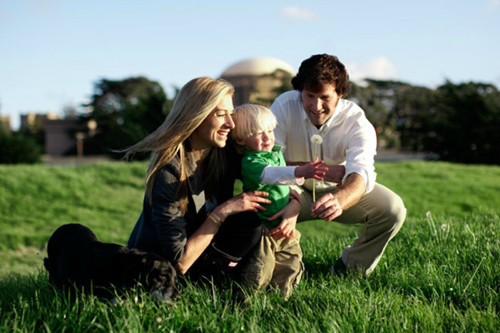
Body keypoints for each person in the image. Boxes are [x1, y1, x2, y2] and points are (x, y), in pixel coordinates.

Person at [124, 77, 299, 285]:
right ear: (195, 117)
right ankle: (215, 285)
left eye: (231, 115)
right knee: (242, 218)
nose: (231, 124)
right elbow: (179, 262)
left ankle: (228, 285)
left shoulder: (223, 154)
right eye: (221, 115)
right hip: (162, 269)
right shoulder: (169, 172)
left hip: (206, 252)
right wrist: (221, 212)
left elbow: (273, 174)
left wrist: (293, 207)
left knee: (250, 222)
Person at [270, 54, 407, 276]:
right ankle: (272, 271)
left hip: (338, 189)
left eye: (325, 97)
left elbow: (360, 174)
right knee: (264, 204)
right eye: (309, 96)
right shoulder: (283, 106)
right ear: (300, 92)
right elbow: (268, 162)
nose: (316, 106)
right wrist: (317, 170)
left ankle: (348, 269)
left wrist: (340, 199)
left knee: (392, 209)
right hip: (291, 188)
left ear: (340, 94)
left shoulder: (356, 121)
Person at [231, 104, 327, 298]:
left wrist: (297, 183)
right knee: (260, 269)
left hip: (285, 228)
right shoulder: (251, 162)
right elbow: (271, 175)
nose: (267, 137)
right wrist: (300, 171)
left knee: (290, 264)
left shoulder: (276, 154)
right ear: (241, 139)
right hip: (264, 228)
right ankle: (248, 300)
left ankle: (282, 299)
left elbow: (285, 177)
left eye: (269, 130)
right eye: (257, 133)